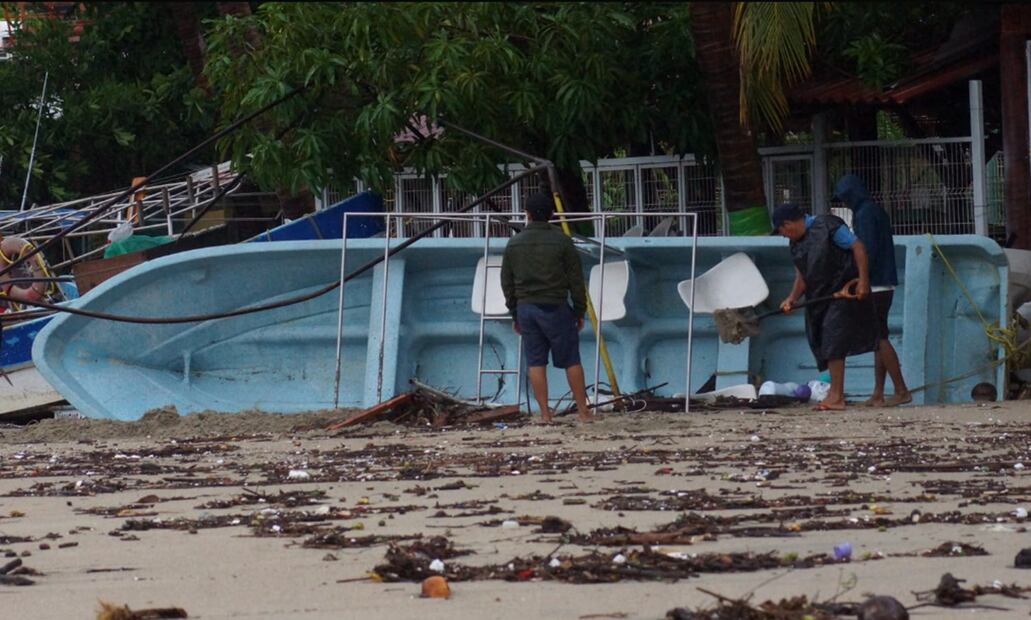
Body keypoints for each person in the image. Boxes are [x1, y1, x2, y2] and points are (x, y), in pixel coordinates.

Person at [772, 203, 878, 411]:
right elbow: (802, 275)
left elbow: (858, 247)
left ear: (788, 224)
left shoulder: (829, 226)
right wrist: (792, 298)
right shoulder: (796, 243)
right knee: (823, 342)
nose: (783, 235)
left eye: (781, 231)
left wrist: (863, 281)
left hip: (842, 291)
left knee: (833, 340)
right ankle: (834, 394)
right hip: (819, 297)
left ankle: (836, 396)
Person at [500, 191, 593, 423]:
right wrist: (579, 310)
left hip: (526, 308)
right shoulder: (562, 240)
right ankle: (583, 412)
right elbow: (575, 279)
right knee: (571, 359)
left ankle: (544, 414)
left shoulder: (514, 243)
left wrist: (515, 313)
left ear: (527, 214)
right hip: (556, 306)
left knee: (535, 361)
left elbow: (506, 282)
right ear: (551, 214)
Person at [833, 175, 911, 407]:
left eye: (844, 198)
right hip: (884, 281)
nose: (844, 202)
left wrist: (860, 280)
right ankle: (878, 392)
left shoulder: (864, 214)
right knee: (879, 337)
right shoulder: (874, 211)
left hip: (875, 283)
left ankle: (901, 390)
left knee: (878, 338)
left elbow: (866, 250)